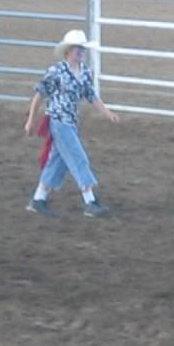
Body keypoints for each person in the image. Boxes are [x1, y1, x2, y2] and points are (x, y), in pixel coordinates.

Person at [24, 29, 120, 218]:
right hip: (59, 122)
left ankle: (38, 198)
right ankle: (89, 201)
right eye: (78, 48)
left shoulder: (84, 71)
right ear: (68, 51)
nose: (81, 52)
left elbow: (90, 95)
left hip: (70, 123)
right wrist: (31, 120)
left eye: (82, 49)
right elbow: (39, 95)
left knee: (57, 162)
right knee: (78, 157)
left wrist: (107, 112)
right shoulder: (56, 72)